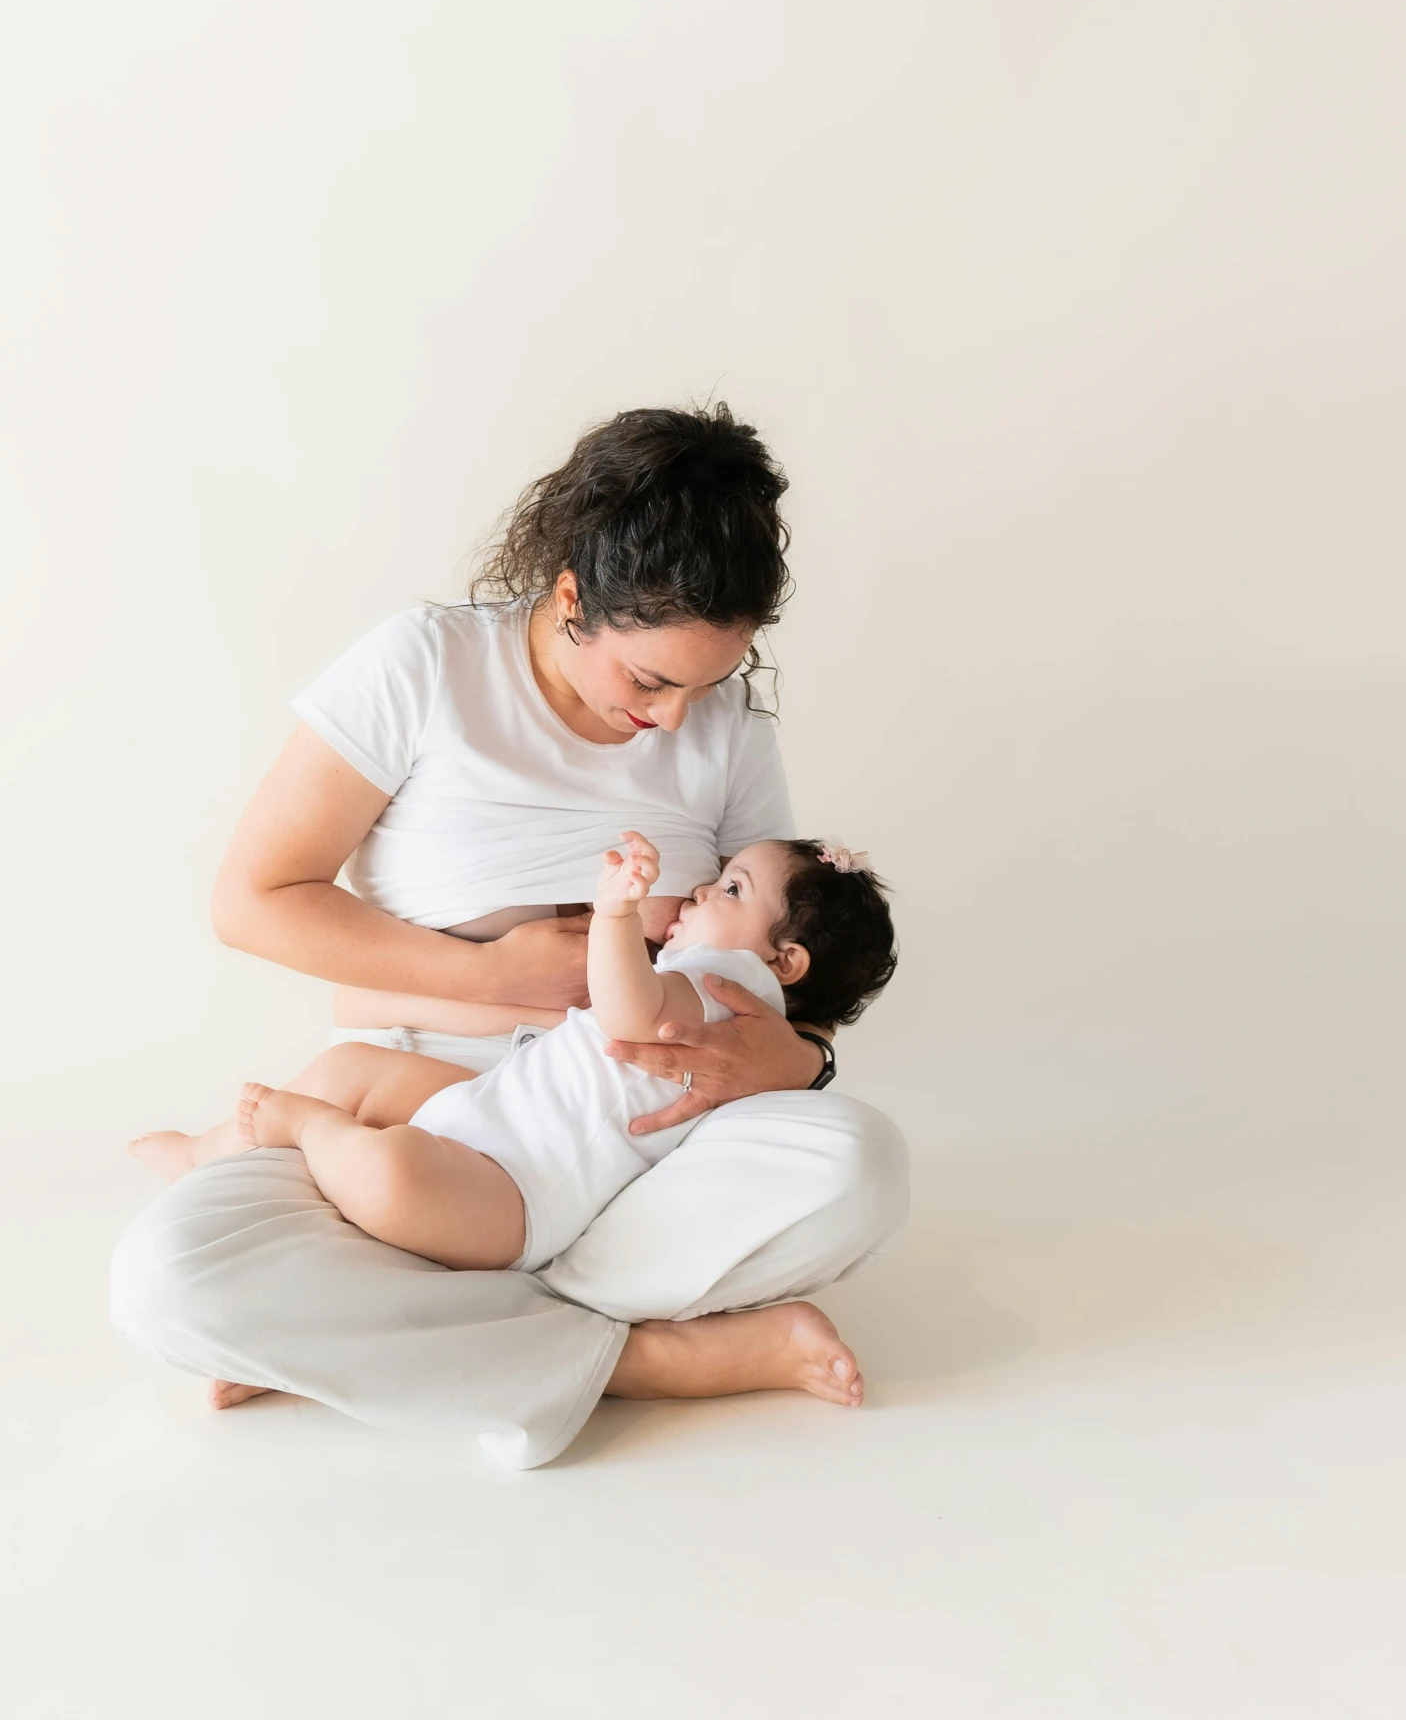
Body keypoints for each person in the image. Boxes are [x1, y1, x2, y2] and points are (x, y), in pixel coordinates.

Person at [110, 404, 910, 1467]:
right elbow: (254, 897)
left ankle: (387, 1326)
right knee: (164, 1281)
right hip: (433, 1111)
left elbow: (767, 940)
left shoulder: (724, 738)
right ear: (572, 595)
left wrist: (803, 1056)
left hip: (634, 1139)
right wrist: (491, 974)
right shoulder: (422, 668)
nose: (678, 719)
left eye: (708, 684)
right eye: (652, 680)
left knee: (862, 1163)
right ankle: (646, 1357)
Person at [134, 833, 896, 1370]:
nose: (702, 889)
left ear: (783, 961)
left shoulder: (727, 982)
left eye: (730, 887)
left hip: (518, 1186)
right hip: (495, 1103)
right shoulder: (720, 971)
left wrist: (617, 917)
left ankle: (306, 1133)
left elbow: (632, 1014)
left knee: (391, 1180)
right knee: (352, 1066)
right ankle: (205, 1158)